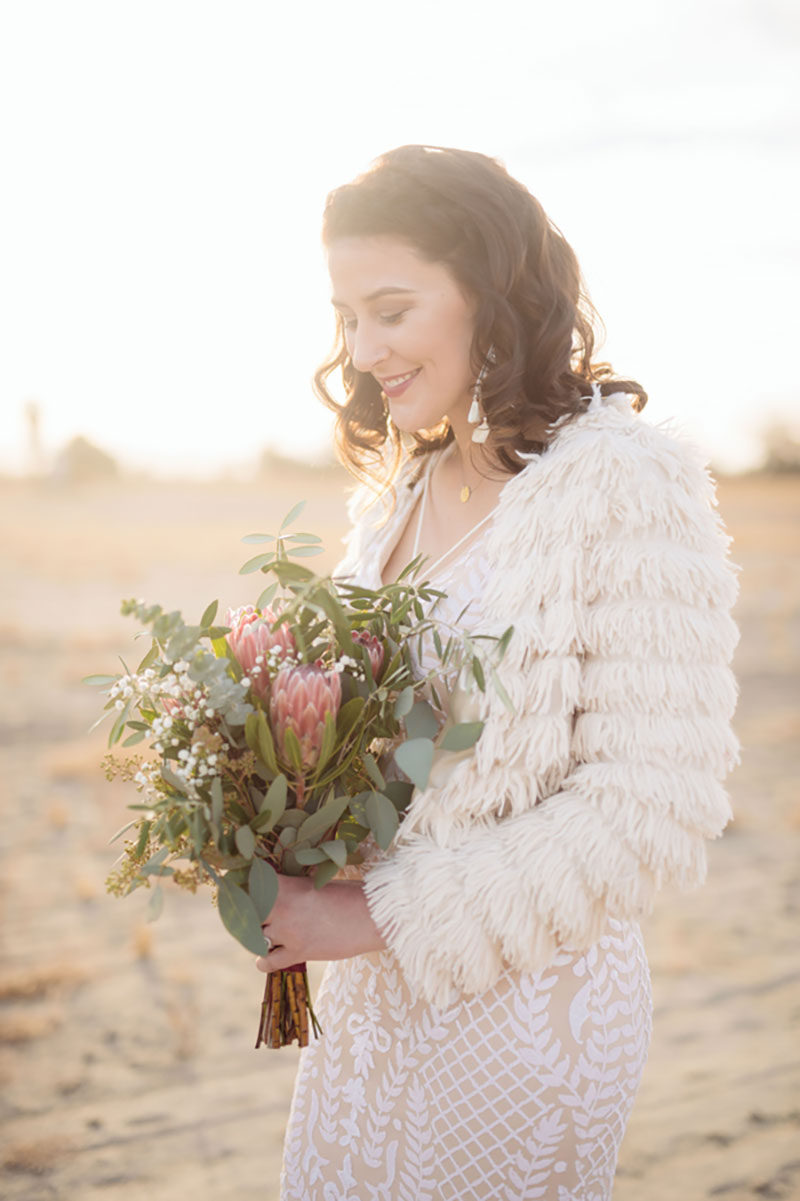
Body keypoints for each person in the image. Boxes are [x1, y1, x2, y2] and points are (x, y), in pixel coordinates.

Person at [255, 144, 741, 1200]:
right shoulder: (400, 490)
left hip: (526, 1012)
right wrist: (279, 836)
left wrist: (375, 913)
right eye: (345, 316)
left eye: (390, 308)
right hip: (372, 1011)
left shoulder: (622, 480)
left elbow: (651, 805)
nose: (362, 348)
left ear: (488, 289)